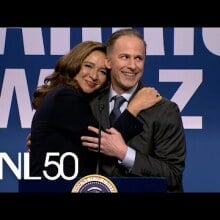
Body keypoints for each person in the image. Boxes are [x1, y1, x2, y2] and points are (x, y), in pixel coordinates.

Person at [28, 40, 161, 179]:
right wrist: (134, 107)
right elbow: (103, 143)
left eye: (102, 72)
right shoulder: (65, 96)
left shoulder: (73, 97)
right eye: (88, 66)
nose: (94, 76)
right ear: (74, 63)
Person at [81, 28, 186, 192]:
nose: (132, 66)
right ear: (108, 62)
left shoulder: (165, 110)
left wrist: (125, 153)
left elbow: (172, 175)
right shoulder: (88, 103)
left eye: (139, 58)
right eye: (124, 57)